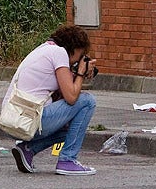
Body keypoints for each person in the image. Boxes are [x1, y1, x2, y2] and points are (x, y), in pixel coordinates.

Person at [6, 24, 98, 176]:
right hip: (30, 119)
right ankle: (68, 160)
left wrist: (76, 74)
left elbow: (61, 95)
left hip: (14, 119)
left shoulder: (45, 49)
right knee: (87, 101)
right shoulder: (59, 53)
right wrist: (80, 72)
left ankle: (28, 149)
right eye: (81, 55)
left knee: (73, 124)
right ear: (74, 48)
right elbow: (71, 97)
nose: (78, 60)